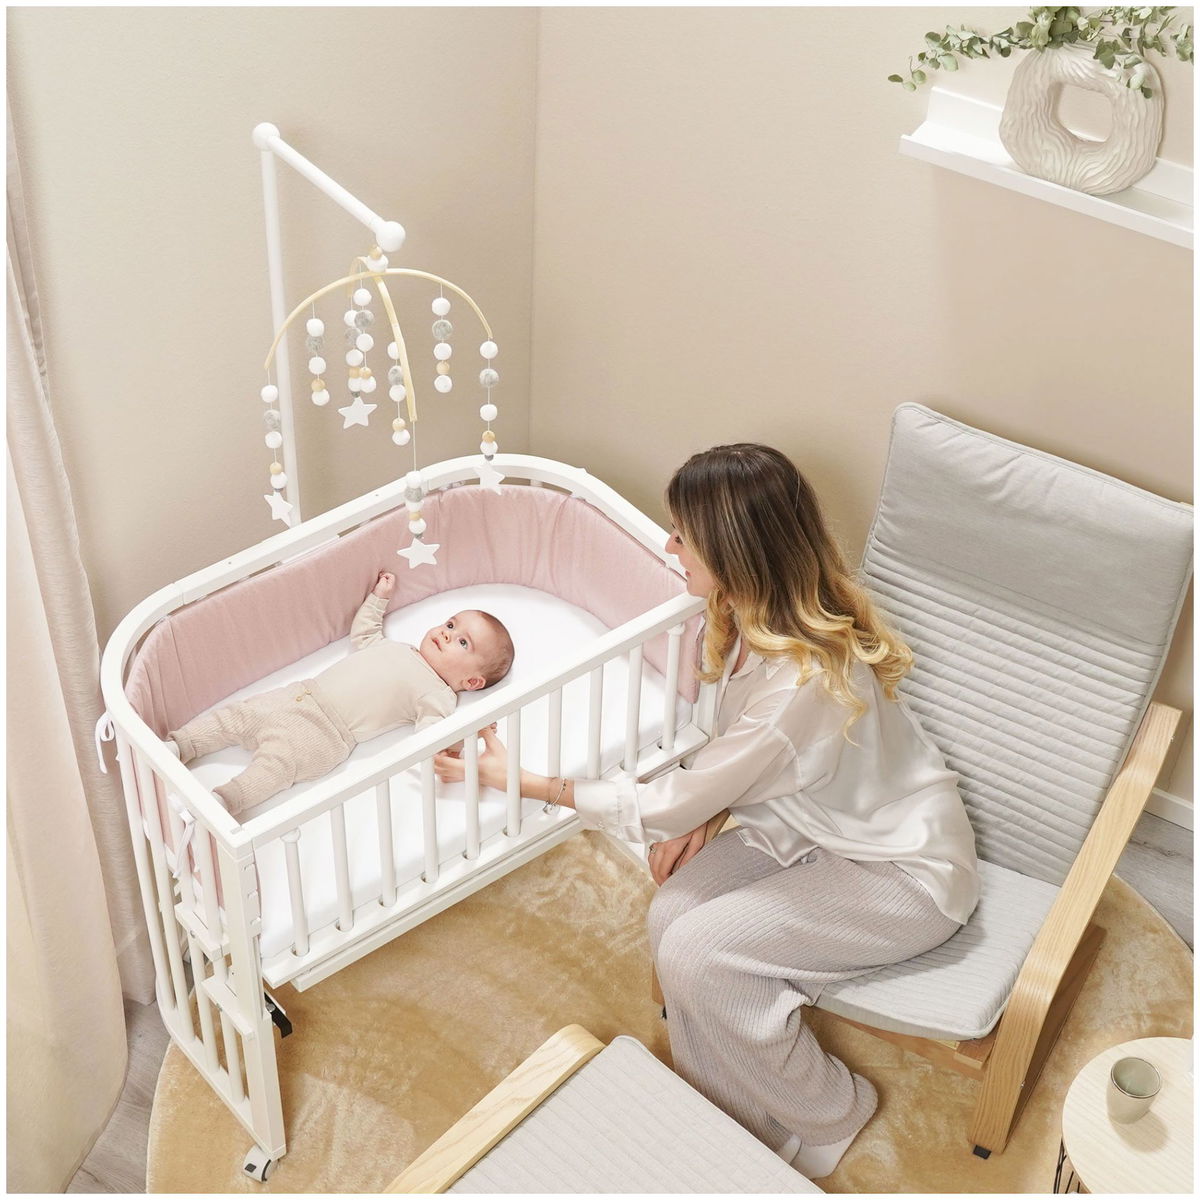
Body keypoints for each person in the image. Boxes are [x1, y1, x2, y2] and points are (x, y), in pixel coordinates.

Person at [433, 443, 979, 1179]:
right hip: (807, 828)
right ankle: (728, 1111)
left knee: (699, 952)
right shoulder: (747, 618)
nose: (669, 546)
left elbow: (673, 798)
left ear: (734, 551)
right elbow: (743, 766)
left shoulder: (799, 685)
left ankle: (834, 1110)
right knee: (670, 917)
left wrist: (525, 781)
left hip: (901, 871)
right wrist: (709, 816)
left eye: (682, 535)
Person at [170, 570, 513, 816]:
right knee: (239, 716)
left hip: (326, 735)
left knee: (276, 767)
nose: (447, 633)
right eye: (450, 624)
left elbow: (432, 740)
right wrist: (379, 599)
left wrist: (468, 734)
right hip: (300, 694)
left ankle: (225, 801)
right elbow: (365, 634)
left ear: (472, 682)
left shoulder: (438, 696)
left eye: (463, 642)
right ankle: (183, 744)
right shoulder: (399, 648)